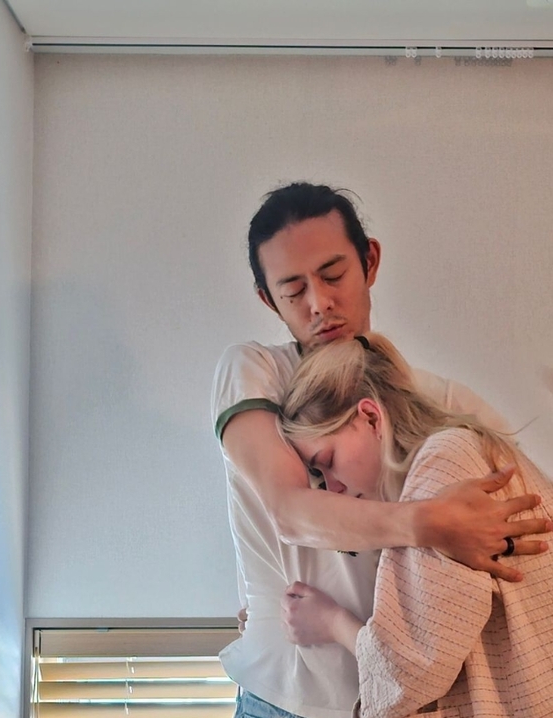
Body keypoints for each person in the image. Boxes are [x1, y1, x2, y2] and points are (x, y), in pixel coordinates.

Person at [211, 182, 549, 718]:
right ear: (268, 299)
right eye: (293, 290)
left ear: (369, 261)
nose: (319, 303)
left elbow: (519, 550)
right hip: (283, 697)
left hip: (403, 698)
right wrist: (431, 522)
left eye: (333, 274)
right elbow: (288, 511)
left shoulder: (447, 410)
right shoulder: (256, 373)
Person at [279, 332, 553, 717]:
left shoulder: (446, 462)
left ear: (371, 417)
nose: (333, 487)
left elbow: (410, 671)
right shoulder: (464, 451)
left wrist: (331, 622)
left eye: (327, 461)